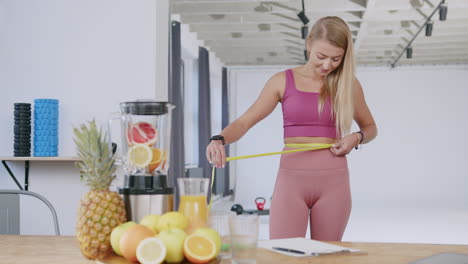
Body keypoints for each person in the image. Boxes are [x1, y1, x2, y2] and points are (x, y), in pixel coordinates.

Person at [206, 16, 377, 241]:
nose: (327, 65)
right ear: (308, 44)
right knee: (282, 254)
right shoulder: (281, 81)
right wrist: (219, 139)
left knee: (326, 258)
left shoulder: (348, 84)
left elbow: (370, 127)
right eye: (321, 56)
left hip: (334, 182)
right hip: (291, 180)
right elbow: (244, 122)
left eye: (336, 59)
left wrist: (356, 137)